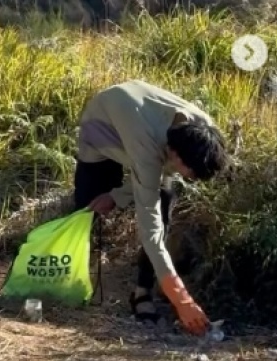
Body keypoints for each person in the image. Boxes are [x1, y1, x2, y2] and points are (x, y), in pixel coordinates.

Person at [72, 79, 228, 336]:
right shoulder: (147, 147)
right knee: (85, 209)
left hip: (144, 133)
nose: (189, 179)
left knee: (164, 198)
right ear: (174, 156)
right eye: (188, 173)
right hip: (103, 131)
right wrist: (182, 300)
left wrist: (118, 195)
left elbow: (151, 178)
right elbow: (150, 230)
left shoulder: (203, 130)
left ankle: (142, 292)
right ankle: (70, 278)